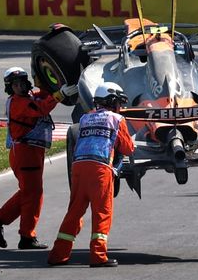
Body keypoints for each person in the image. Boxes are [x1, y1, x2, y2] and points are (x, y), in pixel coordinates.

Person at [47, 83, 135, 267]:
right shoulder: (117, 119)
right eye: (119, 102)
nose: (120, 107)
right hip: (99, 169)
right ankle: (98, 256)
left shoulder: (86, 118)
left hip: (78, 167)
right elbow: (127, 148)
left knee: (74, 211)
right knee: (102, 212)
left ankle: (58, 254)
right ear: (112, 101)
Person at [0, 66, 58, 251]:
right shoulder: (19, 103)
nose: (21, 87)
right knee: (33, 194)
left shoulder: (27, 98)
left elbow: (43, 95)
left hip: (29, 152)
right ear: (10, 88)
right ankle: (26, 236)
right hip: (26, 153)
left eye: (23, 83)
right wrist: (60, 95)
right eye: (16, 84)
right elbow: (41, 108)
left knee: (28, 193)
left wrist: (54, 86)